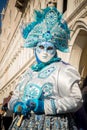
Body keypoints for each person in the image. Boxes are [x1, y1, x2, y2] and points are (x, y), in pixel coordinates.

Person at [8, 6, 83, 130]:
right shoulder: (29, 72)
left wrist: (44, 106)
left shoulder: (63, 70)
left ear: (55, 50)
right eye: (41, 47)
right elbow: (15, 96)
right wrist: (17, 105)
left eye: (49, 48)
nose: (44, 53)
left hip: (54, 125)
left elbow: (76, 100)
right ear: (35, 49)